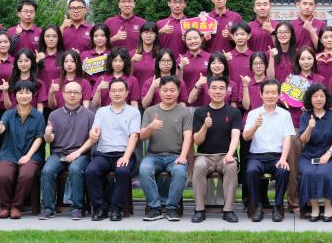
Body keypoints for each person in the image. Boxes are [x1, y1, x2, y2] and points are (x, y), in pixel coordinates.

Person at [138, 76, 193, 221]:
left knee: (180, 171)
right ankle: (154, 207)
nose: (168, 93)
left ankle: (172, 208)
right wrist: (151, 127)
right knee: (144, 169)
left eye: (172, 90)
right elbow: (142, 136)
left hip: (175, 155)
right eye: (165, 90)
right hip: (153, 155)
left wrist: (183, 156)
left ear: (178, 91)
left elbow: (188, 136)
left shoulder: (184, 112)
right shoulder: (150, 111)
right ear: (159, 91)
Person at [84, 78, 140, 221]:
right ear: (109, 93)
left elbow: (134, 136)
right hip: (103, 154)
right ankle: (101, 208)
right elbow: (95, 130)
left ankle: (116, 208)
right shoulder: (101, 111)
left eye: (120, 90)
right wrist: (93, 133)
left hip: (124, 153)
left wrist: (126, 157)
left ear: (127, 92)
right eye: (114, 91)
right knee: (90, 171)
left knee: (122, 171)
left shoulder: (134, 112)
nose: (117, 93)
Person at [243, 78, 296, 221]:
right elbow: (246, 136)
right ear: (261, 94)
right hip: (257, 157)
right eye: (267, 92)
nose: (270, 96)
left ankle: (277, 206)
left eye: (274, 93)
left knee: (283, 170)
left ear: (279, 95)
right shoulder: (253, 114)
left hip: (277, 156)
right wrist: (255, 126)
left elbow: (287, 138)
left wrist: (283, 159)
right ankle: (257, 206)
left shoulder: (285, 114)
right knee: (251, 171)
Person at [190, 77, 242, 223]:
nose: (217, 91)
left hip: (225, 155)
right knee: (199, 166)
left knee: (231, 166)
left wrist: (230, 155)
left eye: (221, 88)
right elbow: (197, 140)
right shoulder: (200, 112)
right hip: (204, 156)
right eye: (214, 88)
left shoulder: (234, 112)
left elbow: (235, 137)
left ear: (226, 91)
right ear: (208, 90)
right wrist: (205, 126)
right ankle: (199, 210)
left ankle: (228, 210)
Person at [0, 80, 46, 218]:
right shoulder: (8, 114)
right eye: (20, 92)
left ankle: (16, 206)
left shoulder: (38, 116)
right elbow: (2, 126)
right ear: (15, 95)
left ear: (33, 95)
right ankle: (5, 206)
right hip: (9, 153)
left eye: (27, 92)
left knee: (26, 175)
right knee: (3, 176)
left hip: (31, 155)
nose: (24, 96)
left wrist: (28, 156)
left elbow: (39, 137)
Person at [298, 83, 332, 222]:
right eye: (315, 96)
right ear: (310, 99)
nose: (318, 99)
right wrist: (309, 128)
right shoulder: (305, 116)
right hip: (308, 155)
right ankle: (315, 207)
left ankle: (328, 206)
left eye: (322, 96)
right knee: (308, 173)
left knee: (326, 173)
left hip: (329, 155)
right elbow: (303, 140)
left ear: (326, 98)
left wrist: (328, 154)